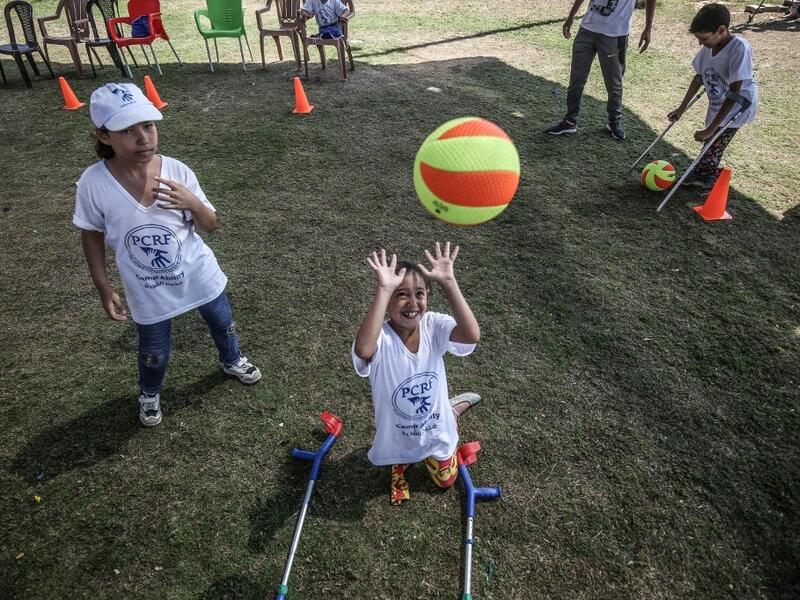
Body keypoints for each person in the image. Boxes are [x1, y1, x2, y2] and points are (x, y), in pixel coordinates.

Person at [73, 83, 261, 428]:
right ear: (103, 136)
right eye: (127, 130)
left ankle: (231, 359)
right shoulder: (93, 184)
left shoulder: (176, 170)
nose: (143, 138)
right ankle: (149, 392)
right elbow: (91, 234)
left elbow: (211, 225)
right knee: (154, 351)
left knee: (223, 323)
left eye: (148, 125)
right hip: (147, 290)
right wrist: (103, 287)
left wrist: (192, 202)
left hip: (199, 275)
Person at [352, 244, 481, 505]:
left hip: (437, 430)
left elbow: (471, 335)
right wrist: (384, 288)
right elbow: (364, 349)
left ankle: (451, 411)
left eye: (419, 294)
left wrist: (449, 281)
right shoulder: (381, 339)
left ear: (428, 296)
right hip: (398, 434)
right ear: (386, 301)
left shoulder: (433, 325)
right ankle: (425, 437)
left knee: (446, 481)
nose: (412, 303)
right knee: (401, 457)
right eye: (401, 295)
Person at [668, 3, 758, 189]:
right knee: (711, 143)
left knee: (713, 143)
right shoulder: (708, 47)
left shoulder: (739, 48)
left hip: (737, 107)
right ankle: (703, 174)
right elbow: (698, 77)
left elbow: (734, 92)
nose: (700, 43)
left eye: (703, 38)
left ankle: (706, 177)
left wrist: (711, 129)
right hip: (718, 103)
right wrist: (681, 108)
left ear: (721, 30)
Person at [546, 0, 656, 141]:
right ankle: (570, 120)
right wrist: (571, 16)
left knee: (613, 83)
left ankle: (614, 122)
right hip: (587, 30)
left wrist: (648, 28)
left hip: (615, 35)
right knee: (576, 79)